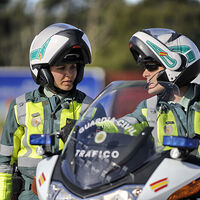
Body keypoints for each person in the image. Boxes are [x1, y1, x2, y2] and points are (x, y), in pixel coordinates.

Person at [0, 23, 93, 200]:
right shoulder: (21, 106)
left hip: (72, 193)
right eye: (61, 68)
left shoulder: (90, 107)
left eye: (73, 67)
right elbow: (4, 163)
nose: (69, 74)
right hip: (30, 193)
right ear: (43, 70)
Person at [98, 28, 200, 155]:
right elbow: (122, 126)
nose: (144, 73)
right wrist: (95, 126)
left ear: (177, 64)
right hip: (168, 174)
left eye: (151, 67)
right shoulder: (150, 108)